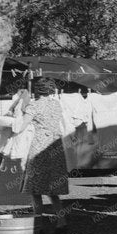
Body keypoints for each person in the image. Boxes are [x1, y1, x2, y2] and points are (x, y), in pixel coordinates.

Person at [21, 77, 70, 223]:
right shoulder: (56, 105)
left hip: (40, 146)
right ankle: (61, 221)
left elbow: (22, 126)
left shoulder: (34, 106)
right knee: (52, 189)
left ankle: (38, 223)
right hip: (55, 145)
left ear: (37, 90)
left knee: (35, 188)